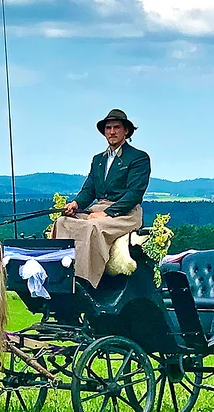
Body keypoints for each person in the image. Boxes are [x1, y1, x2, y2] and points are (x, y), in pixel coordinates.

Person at [52, 108, 151, 288]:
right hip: (98, 209)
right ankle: (59, 274)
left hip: (125, 213)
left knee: (93, 227)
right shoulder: (98, 159)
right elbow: (89, 189)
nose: (112, 132)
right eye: (108, 128)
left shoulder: (138, 158)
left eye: (116, 127)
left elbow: (135, 193)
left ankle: (84, 280)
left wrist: (108, 213)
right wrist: (75, 203)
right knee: (63, 222)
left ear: (126, 131)